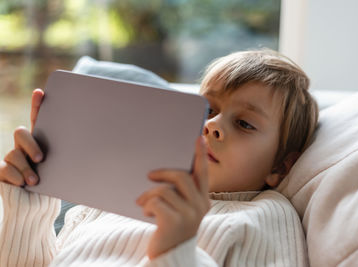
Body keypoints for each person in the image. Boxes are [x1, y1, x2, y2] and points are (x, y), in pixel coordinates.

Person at [0, 49, 318, 266]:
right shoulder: (116, 191)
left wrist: (177, 250)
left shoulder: (267, 216)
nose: (211, 126)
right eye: (207, 109)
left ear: (279, 166)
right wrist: (31, 203)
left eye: (244, 123)